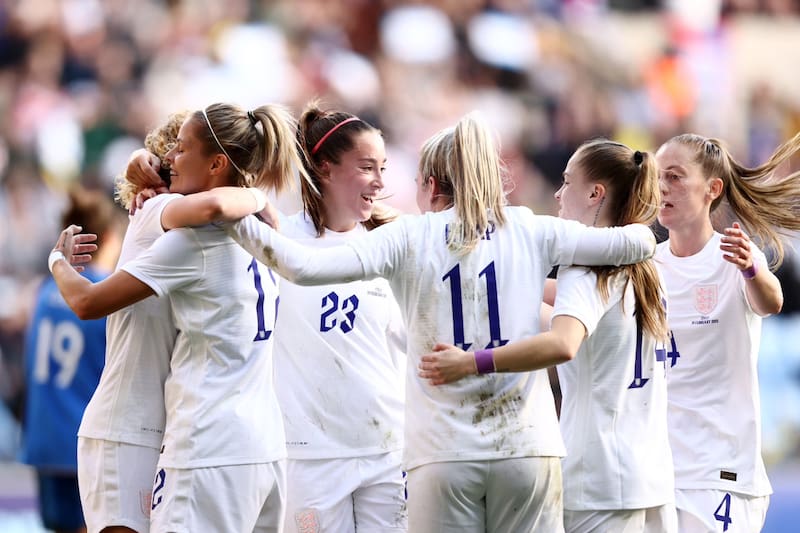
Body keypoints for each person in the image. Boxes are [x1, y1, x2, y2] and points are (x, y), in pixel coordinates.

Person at [218, 112, 659, 533]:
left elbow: (301, 268)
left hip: (443, 452)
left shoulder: (408, 236)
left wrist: (232, 216)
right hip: (527, 447)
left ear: (431, 184)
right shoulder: (531, 228)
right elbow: (639, 241)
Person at [48, 102, 306, 533]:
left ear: (213, 164)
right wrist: (259, 194)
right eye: (165, 154)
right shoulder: (240, 228)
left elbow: (210, 207)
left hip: (193, 435)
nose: (168, 160)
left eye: (178, 150)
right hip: (131, 426)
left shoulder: (201, 231)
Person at [417, 139, 677, 532]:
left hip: (599, 477)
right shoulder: (645, 265)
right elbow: (541, 303)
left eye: (567, 181)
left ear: (595, 193)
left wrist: (472, 362)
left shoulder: (586, 270)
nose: (557, 193)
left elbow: (562, 343)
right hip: (651, 472)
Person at [654, 132, 800, 533]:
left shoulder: (735, 255)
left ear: (711, 189)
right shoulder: (647, 264)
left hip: (721, 472)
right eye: (657, 176)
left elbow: (771, 301)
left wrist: (751, 270)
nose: (662, 187)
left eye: (675, 176)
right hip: (658, 469)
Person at [276, 102, 407, 532]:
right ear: (326, 170)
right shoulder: (279, 238)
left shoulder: (392, 242)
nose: (380, 182)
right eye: (367, 167)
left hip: (387, 449)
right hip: (309, 454)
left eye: (383, 167)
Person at [20, 186, 124, 533]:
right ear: (108, 238)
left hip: (44, 437)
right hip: (83, 442)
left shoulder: (46, 290)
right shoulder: (104, 293)